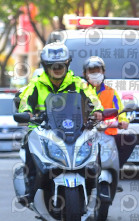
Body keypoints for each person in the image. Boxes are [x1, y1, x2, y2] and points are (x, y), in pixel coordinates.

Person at [17, 42, 102, 204]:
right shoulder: (36, 83)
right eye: (52, 65)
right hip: (42, 129)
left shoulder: (78, 82)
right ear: (45, 66)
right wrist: (26, 111)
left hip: (74, 129)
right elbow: (24, 99)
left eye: (60, 65)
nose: (57, 69)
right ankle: (31, 190)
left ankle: (95, 183)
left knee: (95, 143)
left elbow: (92, 97)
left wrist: (98, 110)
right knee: (29, 145)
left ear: (67, 64)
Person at [82, 56, 133, 167]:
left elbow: (120, 110)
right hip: (84, 133)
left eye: (98, 71)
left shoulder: (111, 92)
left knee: (130, 138)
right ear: (84, 73)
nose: (95, 74)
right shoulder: (80, 90)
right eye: (91, 71)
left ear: (103, 72)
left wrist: (123, 121)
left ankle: (116, 167)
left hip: (106, 132)